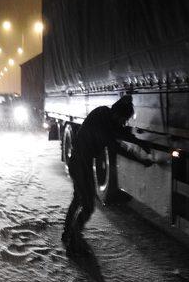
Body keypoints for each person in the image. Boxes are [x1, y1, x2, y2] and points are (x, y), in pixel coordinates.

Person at [62, 95, 153, 256]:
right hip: (80, 163)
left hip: (81, 162)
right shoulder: (102, 119)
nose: (123, 123)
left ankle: (67, 233)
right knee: (88, 205)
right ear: (117, 113)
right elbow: (116, 145)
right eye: (123, 119)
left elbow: (122, 133)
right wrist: (140, 160)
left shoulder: (105, 116)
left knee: (78, 199)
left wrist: (141, 143)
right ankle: (73, 241)